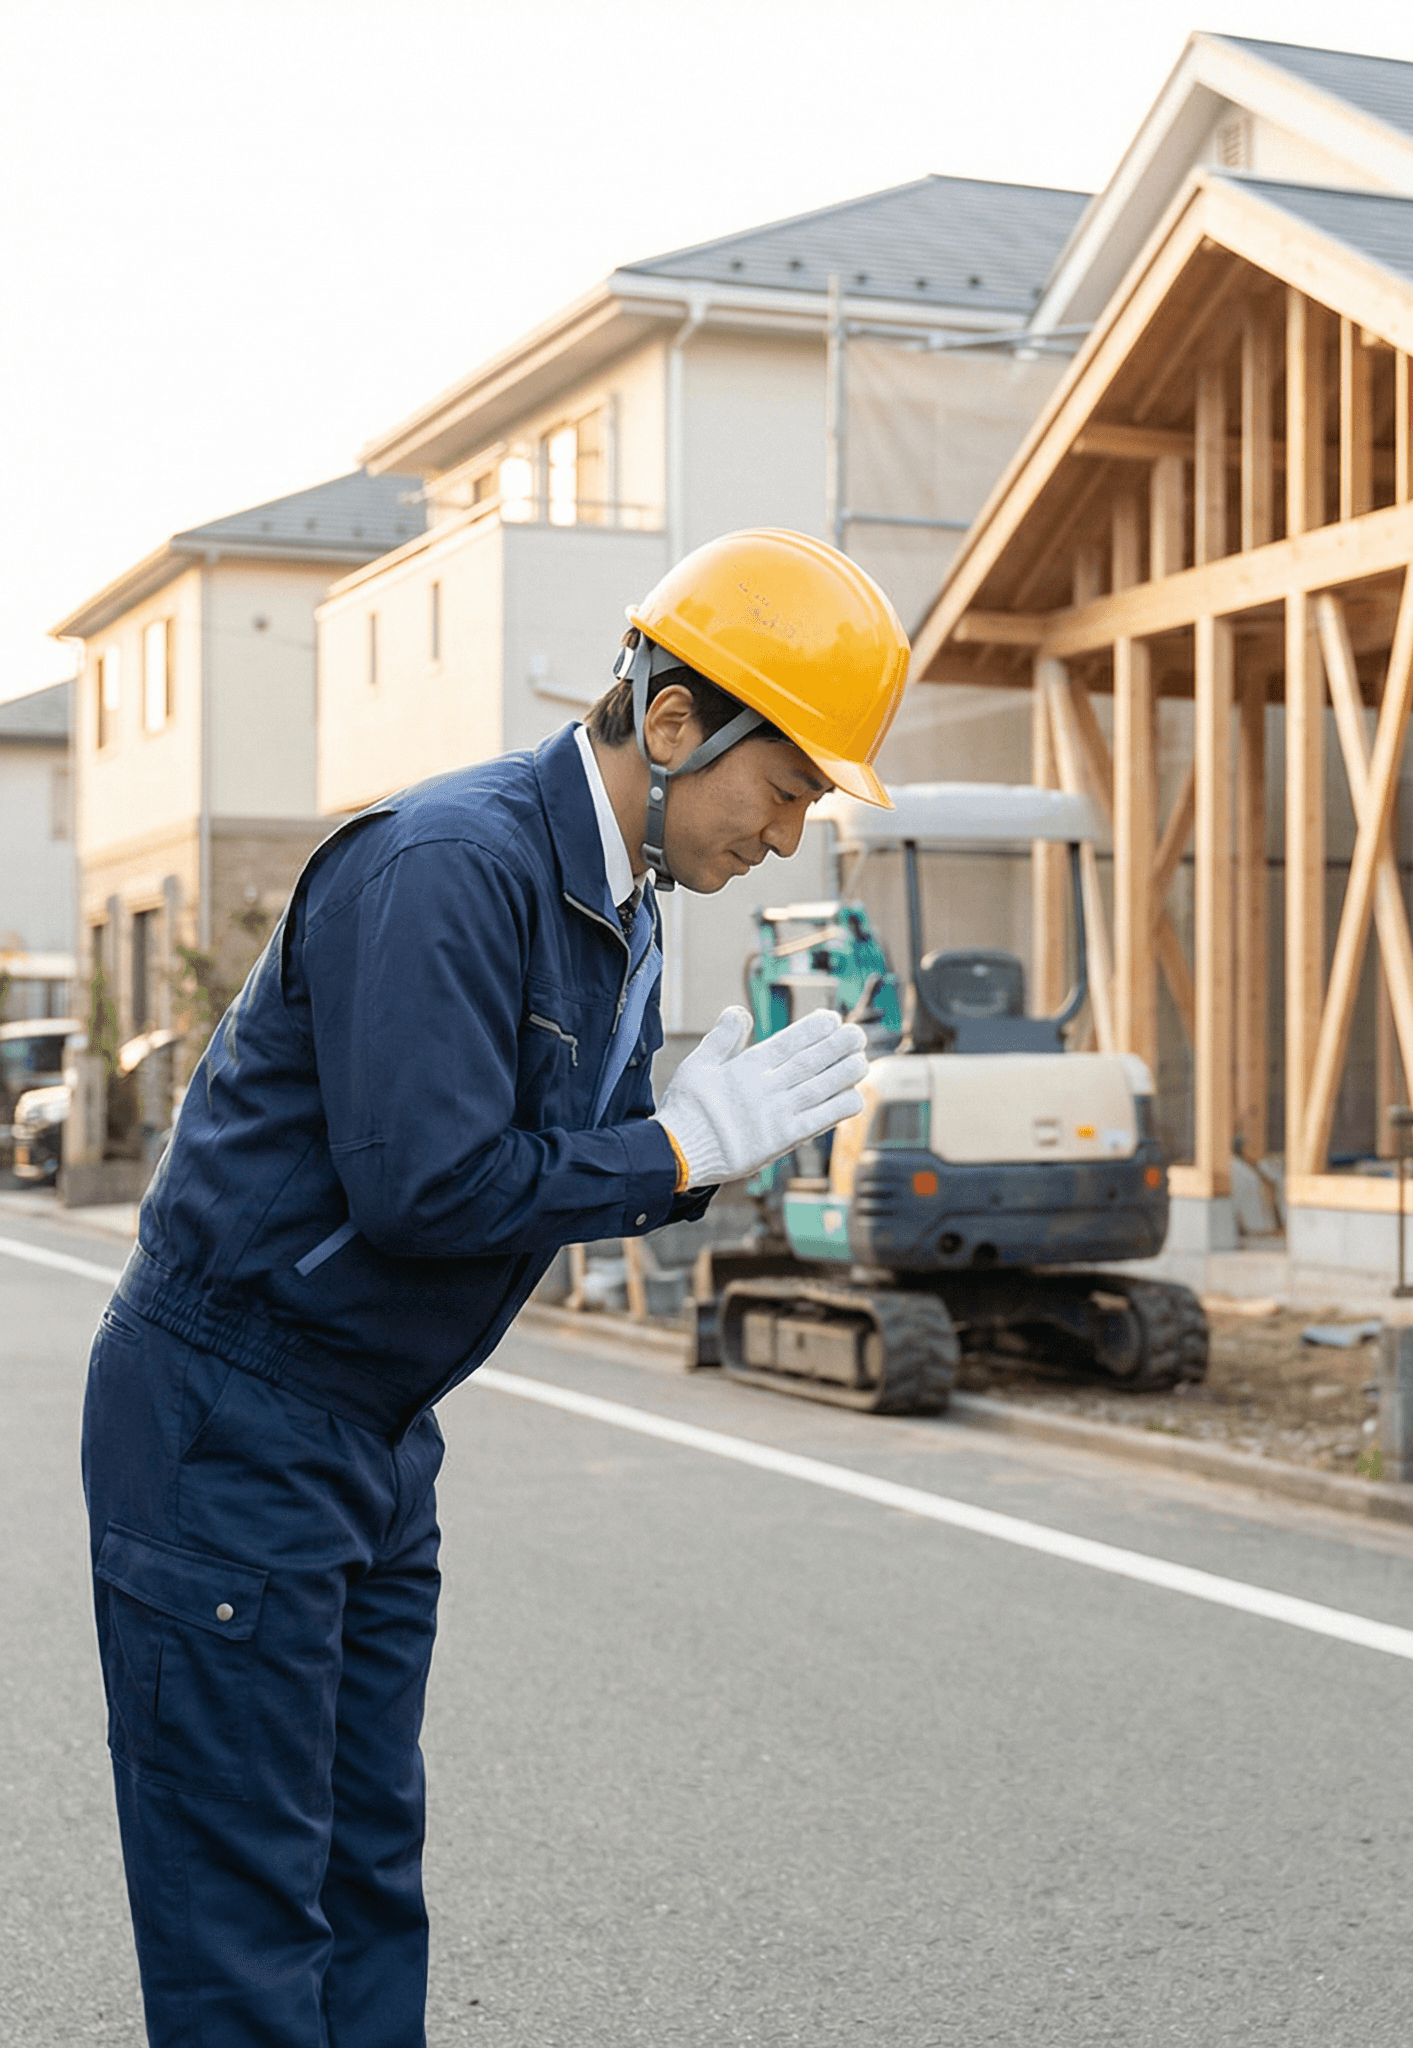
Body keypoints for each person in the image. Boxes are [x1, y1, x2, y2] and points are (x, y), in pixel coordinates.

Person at [80, 528, 909, 2046]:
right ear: (673, 725)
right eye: (785, 788)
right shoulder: (450, 868)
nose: (788, 837)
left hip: (375, 1430)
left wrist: (686, 1145)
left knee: (364, 1880)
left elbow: (564, 1154)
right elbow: (429, 1189)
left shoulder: (622, 908)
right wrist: (671, 1146)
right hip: (236, 1411)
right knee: (248, 1916)